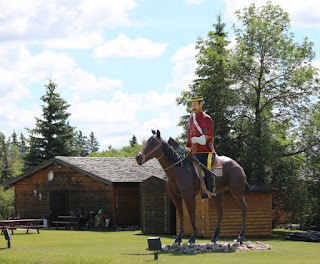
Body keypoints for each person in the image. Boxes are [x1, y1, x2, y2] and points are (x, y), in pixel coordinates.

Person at [186, 96, 216, 198]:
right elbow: (189, 135)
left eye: (195, 104)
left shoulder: (207, 119)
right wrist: (187, 147)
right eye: (192, 104)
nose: (193, 106)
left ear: (201, 104)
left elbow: (209, 136)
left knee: (207, 168)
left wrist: (197, 139)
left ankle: (209, 191)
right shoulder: (191, 119)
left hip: (207, 151)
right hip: (195, 152)